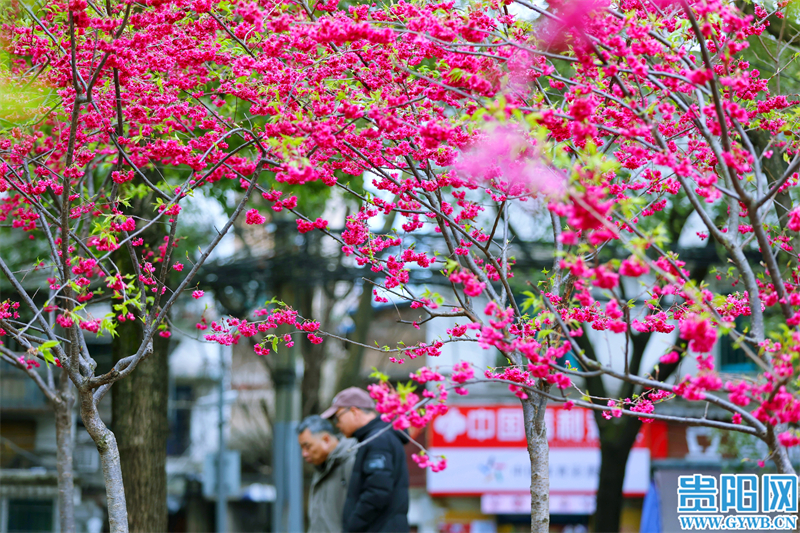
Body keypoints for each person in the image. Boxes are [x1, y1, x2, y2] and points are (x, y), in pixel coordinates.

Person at [321, 387, 410, 533]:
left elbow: (377, 492)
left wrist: (353, 525)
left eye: (338, 417)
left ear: (354, 411)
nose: (337, 424)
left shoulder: (378, 440)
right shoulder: (376, 438)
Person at [297, 415, 357, 533]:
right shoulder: (321, 467)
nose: (304, 454)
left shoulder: (353, 461)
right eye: (302, 448)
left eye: (307, 446)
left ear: (326, 440)